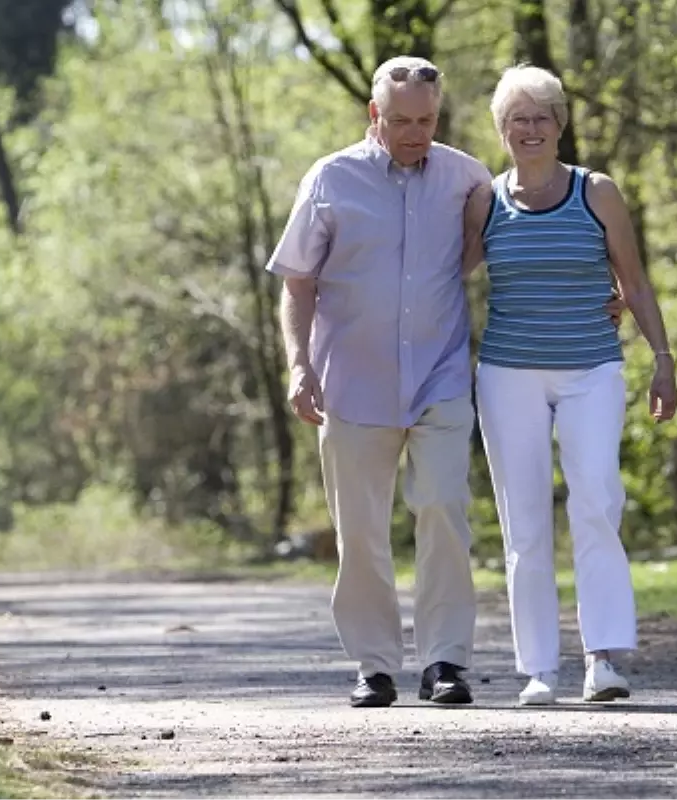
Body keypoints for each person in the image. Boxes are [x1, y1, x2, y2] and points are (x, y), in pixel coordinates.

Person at [265, 56, 491, 708]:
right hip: (352, 384)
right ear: (375, 114)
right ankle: (375, 665)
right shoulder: (331, 179)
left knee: (444, 509)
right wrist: (299, 365)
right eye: (401, 120)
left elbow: (503, 246)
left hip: (440, 376)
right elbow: (298, 281)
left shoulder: (465, 177)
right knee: (360, 530)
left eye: (426, 119)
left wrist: (607, 292)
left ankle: (446, 661)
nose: (415, 132)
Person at [462, 64, 677, 706]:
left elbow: (634, 282)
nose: (530, 129)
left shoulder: (597, 192)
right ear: (502, 131)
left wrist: (663, 358)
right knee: (523, 523)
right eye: (517, 119)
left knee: (596, 500)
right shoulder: (485, 200)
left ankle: (603, 659)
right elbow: (444, 276)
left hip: (592, 368)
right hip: (507, 375)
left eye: (541, 117)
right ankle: (538, 669)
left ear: (561, 125)